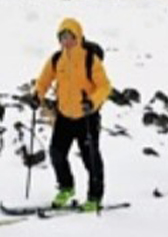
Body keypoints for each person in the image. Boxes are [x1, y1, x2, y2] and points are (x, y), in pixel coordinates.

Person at [31, 19, 113, 211]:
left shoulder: (90, 58)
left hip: (87, 117)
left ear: (78, 37)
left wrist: (92, 102)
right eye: (63, 38)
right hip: (64, 116)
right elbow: (43, 81)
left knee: (90, 158)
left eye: (70, 37)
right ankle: (66, 187)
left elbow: (105, 86)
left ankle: (95, 196)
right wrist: (37, 96)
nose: (66, 41)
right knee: (56, 153)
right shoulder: (56, 59)